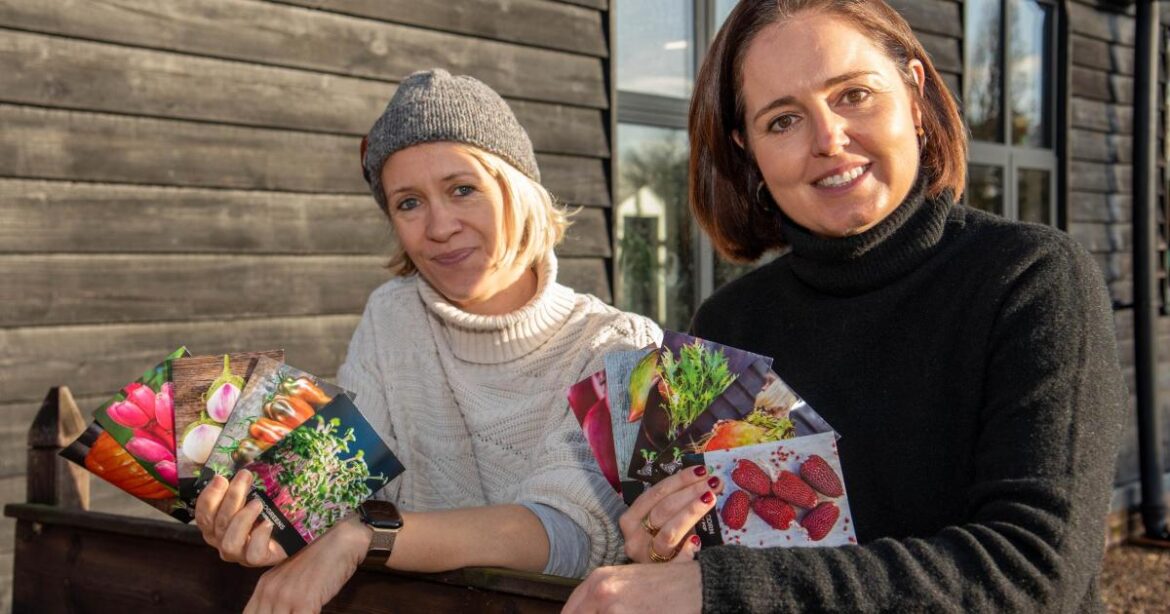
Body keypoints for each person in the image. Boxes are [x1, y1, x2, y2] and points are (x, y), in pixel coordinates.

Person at [565, 1, 1127, 612]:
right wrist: (672, 549)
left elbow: (1034, 575)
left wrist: (722, 589)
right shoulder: (728, 326)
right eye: (782, 121)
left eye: (853, 94)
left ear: (914, 96)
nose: (829, 139)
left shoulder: (1029, 279)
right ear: (747, 148)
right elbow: (732, 552)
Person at [194, 69, 661, 612]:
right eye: (408, 203)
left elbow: (566, 536)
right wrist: (259, 514)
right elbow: (344, 483)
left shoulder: (621, 346)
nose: (439, 226)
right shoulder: (391, 316)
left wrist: (365, 534)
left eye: (463, 190)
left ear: (518, 190)